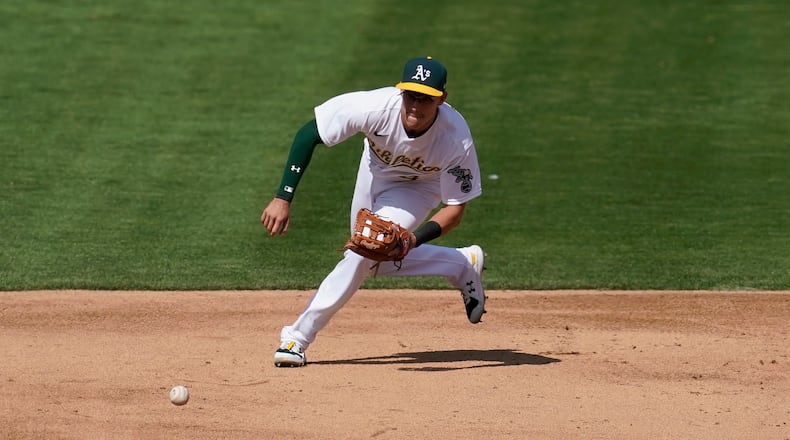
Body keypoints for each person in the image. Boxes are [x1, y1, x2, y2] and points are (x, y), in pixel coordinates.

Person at [261, 56, 486, 367]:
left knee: (362, 253)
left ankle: (297, 337)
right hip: (376, 172)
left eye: (426, 99)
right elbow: (309, 134)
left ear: (442, 99)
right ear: (400, 92)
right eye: (411, 95)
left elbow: (455, 209)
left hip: (421, 187)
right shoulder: (375, 107)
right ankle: (460, 263)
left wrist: (412, 239)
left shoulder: (455, 138)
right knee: (373, 256)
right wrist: (282, 197)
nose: (415, 106)